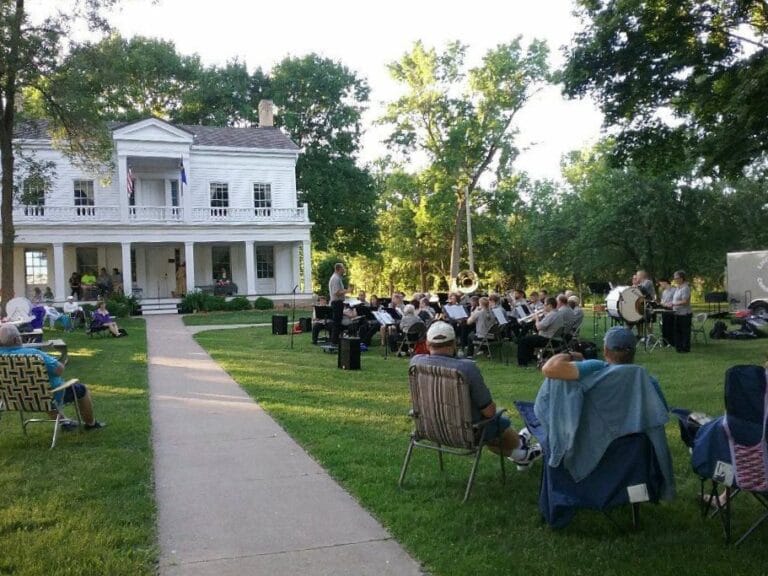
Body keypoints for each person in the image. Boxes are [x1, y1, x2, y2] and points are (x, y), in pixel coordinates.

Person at [410, 321, 541, 468]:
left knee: (490, 424)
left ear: (428, 344)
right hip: (465, 433)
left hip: (429, 426)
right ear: (454, 344)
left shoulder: (415, 363)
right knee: (497, 420)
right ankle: (523, 450)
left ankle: (522, 450)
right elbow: (489, 411)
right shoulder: (466, 368)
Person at [0, 323, 105, 430]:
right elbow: (59, 370)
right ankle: (91, 424)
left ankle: (64, 423)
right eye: (19, 336)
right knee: (81, 389)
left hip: (13, 399)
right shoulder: (34, 355)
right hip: (45, 396)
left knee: (38, 387)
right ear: (16, 339)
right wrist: (59, 360)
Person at [517, 297, 563, 367]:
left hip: (547, 339)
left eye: (545, 305)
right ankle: (530, 358)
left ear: (550, 306)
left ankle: (522, 363)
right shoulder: (558, 313)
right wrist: (545, 315)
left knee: (523, 340)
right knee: (529, 339)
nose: (543, 306)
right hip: (555, 339)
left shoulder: (551, 315)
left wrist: (537, 319)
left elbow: (539, 327)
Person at [671, 270, 692, 353]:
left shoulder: (685, 288)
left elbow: (685, 301)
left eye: (677, 278)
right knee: (677, 331)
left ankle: (685, 348)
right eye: (675, 278)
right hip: (677, 312)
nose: (675, 280)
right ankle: (678, 347)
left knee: (684, 331)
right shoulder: (677, 288)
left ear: (682, 278)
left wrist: (674, 304)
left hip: (685, 313)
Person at [328, 263, 349, 345]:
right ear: (338, 269)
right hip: (336, 303)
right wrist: (347, 290)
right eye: (343, 268)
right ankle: (334, 341)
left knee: (338, 322)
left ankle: (336, 340)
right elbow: (336, 293)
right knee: (336, 322)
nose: (344, 270)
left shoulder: (338, 278)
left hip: (339, 303)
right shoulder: (335, 279)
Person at [657, 278, 675, 347]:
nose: (660, 285)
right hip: (664, 310)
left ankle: (671, 342)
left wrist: (668, 304)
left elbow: (675, 300)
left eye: (661, 283)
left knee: (670, 327)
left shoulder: (674, 290)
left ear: (665, 282)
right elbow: (662, 301)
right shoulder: (664, 292)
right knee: (664, 327)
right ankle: (665, 342)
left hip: (671, 311)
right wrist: (661, 303)